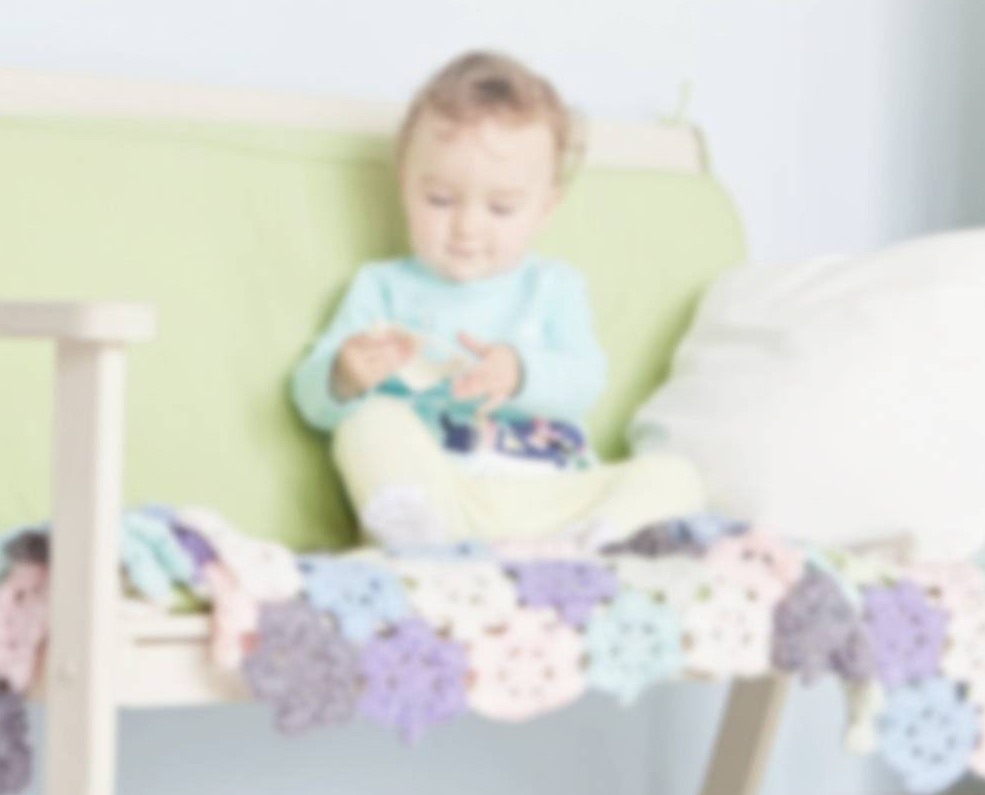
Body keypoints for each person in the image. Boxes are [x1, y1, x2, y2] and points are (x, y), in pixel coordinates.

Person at [290, 50, 705, 549]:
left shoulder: (553, 286)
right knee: (367, 424)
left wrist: (519, 372)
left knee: (674, 475)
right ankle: (423, 545)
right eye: (439, 200)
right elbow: (311, 400)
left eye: (501, 208)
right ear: (404, 185)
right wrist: (343, 376)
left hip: (555, 496)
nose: (467, 227)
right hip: (445, 495)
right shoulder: (381, 288)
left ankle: (596, 546)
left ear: (544, 208)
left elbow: (584, 381)